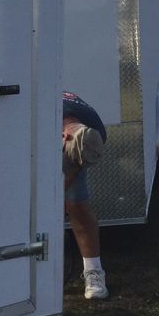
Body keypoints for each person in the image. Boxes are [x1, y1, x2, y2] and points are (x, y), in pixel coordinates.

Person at [62, 91, 108, 300]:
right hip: (33, 138)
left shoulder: (95, 131)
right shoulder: (40, 113)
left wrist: (60, 194)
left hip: (70, 137)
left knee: (77, 204)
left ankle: (94, 271)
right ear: (65, 136)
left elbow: (77, 165)